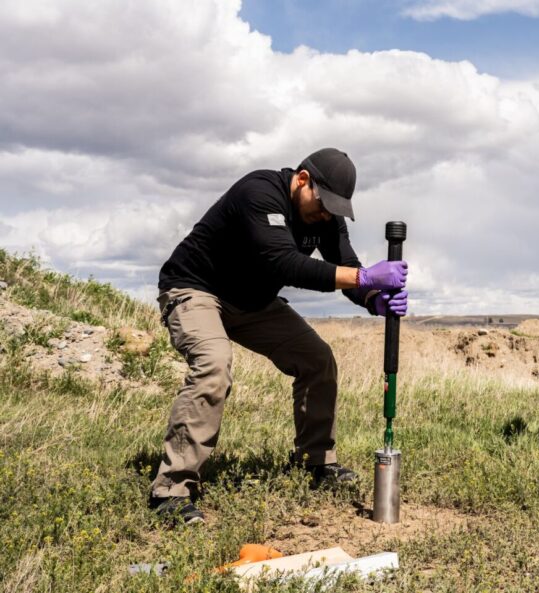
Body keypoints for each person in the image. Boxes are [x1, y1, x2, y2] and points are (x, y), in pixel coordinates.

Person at [149, 148, 409, 524]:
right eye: (322, 204)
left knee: (317, 359)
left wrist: (373, 299)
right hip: (196, 289)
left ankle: (315, 463)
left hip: (252, 302)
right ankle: (170, 492)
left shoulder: (327, 215)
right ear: (303, 180)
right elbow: (284, 263)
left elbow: (347, 266)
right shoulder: (259, 192)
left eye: (334, 209)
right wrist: (364, 278)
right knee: (213, 366)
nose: (325, 214)